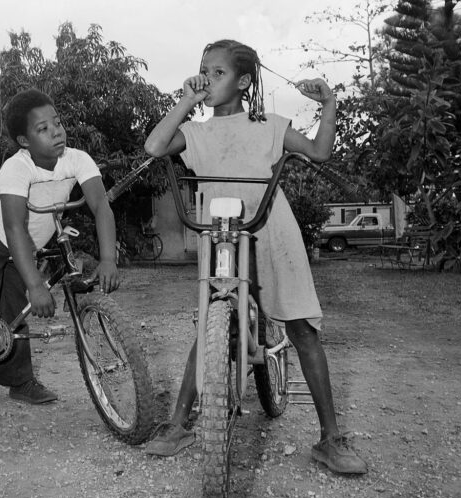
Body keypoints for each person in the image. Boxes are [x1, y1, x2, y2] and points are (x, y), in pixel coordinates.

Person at [142, 39, 368, 474]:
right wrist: (187, 100)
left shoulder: (269, 125)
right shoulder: (195, 132)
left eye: (217, 73)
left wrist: (329, 104)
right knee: (210, 323)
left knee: (301, 326)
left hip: (271, 230)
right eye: (202, 70)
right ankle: (178, 423)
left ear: (244, 82)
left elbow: (319, 152)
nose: (207, 79)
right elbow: (154, 147)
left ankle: (330, 437)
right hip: (221, 235)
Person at [0, 88, 120, 429]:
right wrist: (36, 284)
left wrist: (108, 259)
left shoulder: (77, 159)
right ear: (24, 140)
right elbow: (14, 228)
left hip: (24, 246)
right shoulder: (16, 168)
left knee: (15, 312)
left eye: (57, 122)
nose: (56, 131)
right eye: (43, 128)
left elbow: (101, 206)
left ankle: (19, 382)